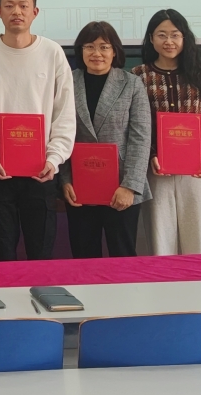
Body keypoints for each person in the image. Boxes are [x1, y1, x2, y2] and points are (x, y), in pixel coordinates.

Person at [0, 0, 75, 261]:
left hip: (40, 172)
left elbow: (64, 113)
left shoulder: (52, 53)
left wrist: (54, 159)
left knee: (40, 254)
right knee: (1, 254)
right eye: (9, 6)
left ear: (35, 12)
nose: (16, 11)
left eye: (23, 6)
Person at [132, 10, 201, 256]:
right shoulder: (139, 76)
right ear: (151, 39)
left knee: (198, 240)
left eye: (175, 35)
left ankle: (198, 281)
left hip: (196, 171)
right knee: (161, 240)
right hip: (156, 170)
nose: (168, 41)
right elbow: (137, 125)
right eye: (161, 35)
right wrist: (152, 153)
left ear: (185, 38)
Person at [60, 21, 151, 258]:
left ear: (115, 51)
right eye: (89, 46)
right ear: (80, 51)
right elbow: (59, 133)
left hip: (120, 186)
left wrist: (130, 186)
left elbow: (140, 138)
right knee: (84, 256)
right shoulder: (67, 82)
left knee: (122, 255)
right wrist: (65, 180)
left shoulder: (132, 84)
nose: (96, 53)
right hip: (80, 186)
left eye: (104, 47)